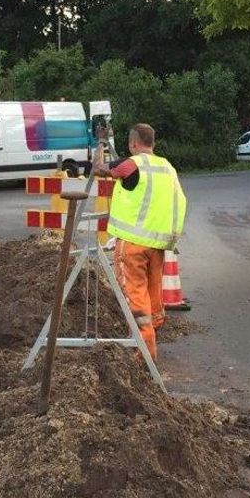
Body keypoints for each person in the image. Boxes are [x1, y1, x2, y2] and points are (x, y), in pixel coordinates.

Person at [92, 123, 186, 362]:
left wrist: (100, 144)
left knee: (133, 294)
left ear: (134, 143)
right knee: (153, 290)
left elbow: (98, 170)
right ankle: (154, 328)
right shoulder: (167, 167)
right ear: (152, 143)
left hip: (133, 244)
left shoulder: (133, 164)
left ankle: (142, 353)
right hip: (158, 244)